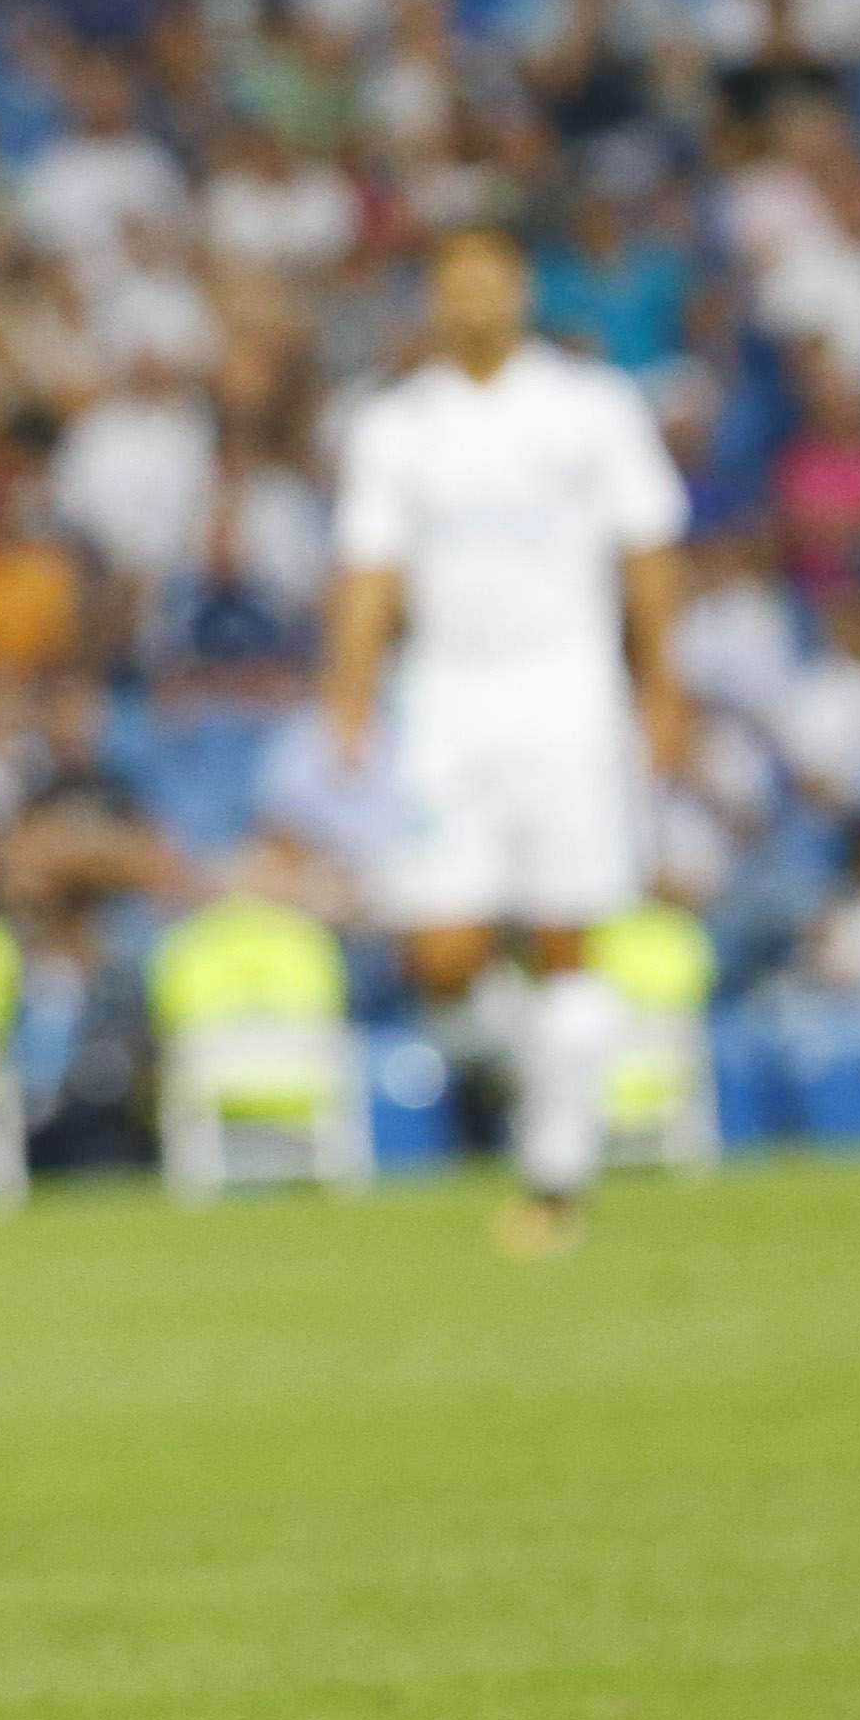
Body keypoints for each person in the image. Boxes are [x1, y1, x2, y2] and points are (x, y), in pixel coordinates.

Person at [317, 229, 691, 1256]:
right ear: (434, 301)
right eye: (457, 288)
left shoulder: (590, 408)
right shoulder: (396, 426)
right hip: (446, 699)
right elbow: (368, 568)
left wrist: (661, 684)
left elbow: (648, 547)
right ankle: (556, 1084)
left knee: (568, 933)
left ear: (520, 291)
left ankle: (557, 1173)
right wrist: (349, 695)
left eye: (492, 284)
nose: (475, 304)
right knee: (440, 949)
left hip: (567, 693)